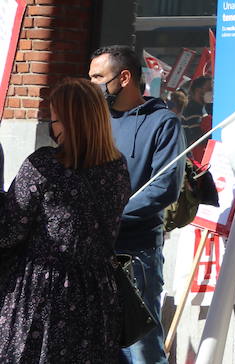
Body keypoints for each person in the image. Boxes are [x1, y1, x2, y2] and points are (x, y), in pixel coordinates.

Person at [0, 79, 131, 362]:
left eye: (55, 118)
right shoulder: (117, 167)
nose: (52, 126)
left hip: (44, 290)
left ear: (70, 122)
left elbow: (9, 231)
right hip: (97, 292)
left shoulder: (44, 165)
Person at [89, 45, 184, 364]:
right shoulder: (95, 120)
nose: (92, 84)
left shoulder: (163, 123)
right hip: (90, 250)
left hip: (136, 254)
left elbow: (165, 188)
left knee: (140, 348)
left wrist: (108, 216)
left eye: (98, 77)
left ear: (124, 77)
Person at [181, 76, 213, 162]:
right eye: (209, 89)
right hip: (194, 159)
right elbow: (198, 137)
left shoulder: (200, 108)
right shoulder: (192, 109)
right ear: (198, 90)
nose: (212, 92)